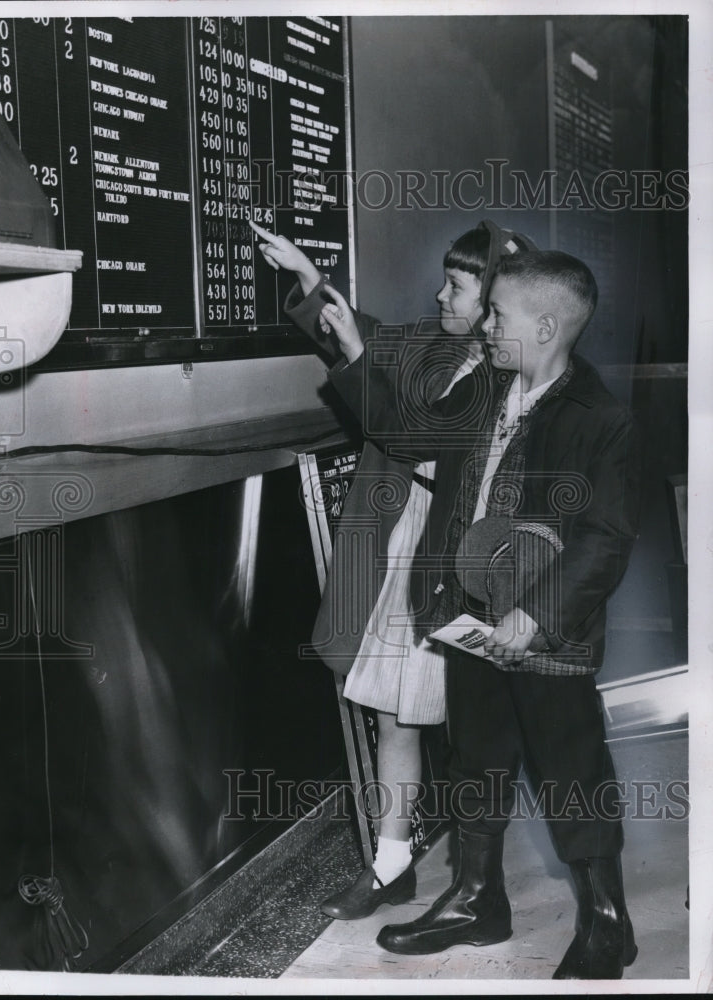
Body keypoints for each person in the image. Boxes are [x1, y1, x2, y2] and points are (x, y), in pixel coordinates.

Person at [353, 249, 641, 980]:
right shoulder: (485, 390)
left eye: (498, 313)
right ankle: (477, 899)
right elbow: (405, 430)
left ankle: (607, 922)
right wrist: (341, 343)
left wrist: (538, 615)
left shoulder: (598, 419)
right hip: (472, 623)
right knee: (474, 761)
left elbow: (604, 539)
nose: (484, 323)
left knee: (569, 767)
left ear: (545, 327)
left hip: (548, 639)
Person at [248, 217, 537, 919]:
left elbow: (411, 436)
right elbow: (369, 336)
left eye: (459, 288)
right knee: (393, 718)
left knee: (473, 734)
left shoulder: (511, 378)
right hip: (404, 560)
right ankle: (392, 863)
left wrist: (353, 354)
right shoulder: (438, 347)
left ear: (498, 304)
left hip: (458, 570)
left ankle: (477, 886)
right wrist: (310, 279)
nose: (441, 296)